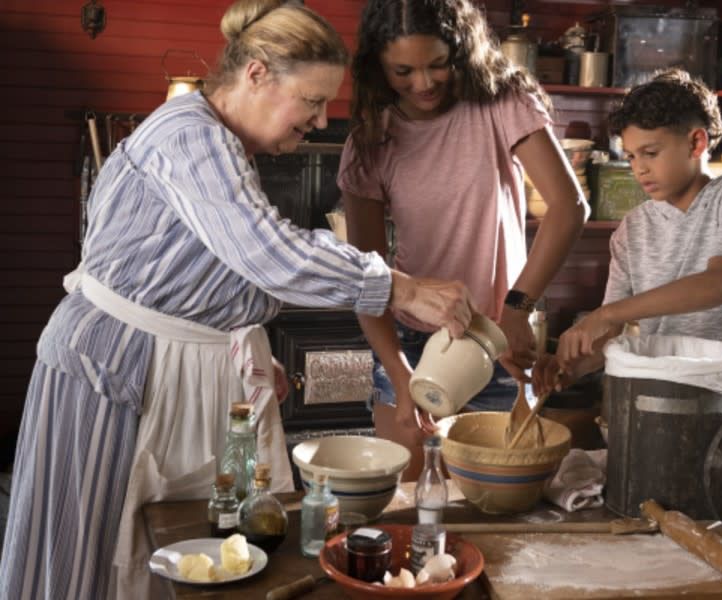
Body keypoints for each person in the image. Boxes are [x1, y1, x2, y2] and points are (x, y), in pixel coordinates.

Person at [0, 1, 477, 599]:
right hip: (120, 365)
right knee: (96, 550)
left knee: (177, 550)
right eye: (311, 100)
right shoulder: (188, 134)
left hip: (176, 359)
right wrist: (402, 287)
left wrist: (244, 337)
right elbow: (266, 251)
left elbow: (215, 264)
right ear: (255, 73)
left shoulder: (225, 146)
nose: (320, 118)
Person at [337, 0, 589, 478]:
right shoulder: (371, 140)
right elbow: (367, 276)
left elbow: (569, 207)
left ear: (461, 50)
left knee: (499, 514)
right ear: (377, 67)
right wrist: (397, 371)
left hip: (499, 341)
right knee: (408, 510)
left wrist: (517, 309)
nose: (424, 83)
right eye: (403, 71)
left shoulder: (501, 102)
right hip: (408, 344)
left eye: (437, 65)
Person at [534, 69, 722, 407]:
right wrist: (571, 368)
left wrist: (605, 315)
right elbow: (612, 337)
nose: (639, 169)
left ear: (696, 142)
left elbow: (717, 284)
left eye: (650, 153)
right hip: (657, 404)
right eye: (631, 156)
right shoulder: (631, 230)